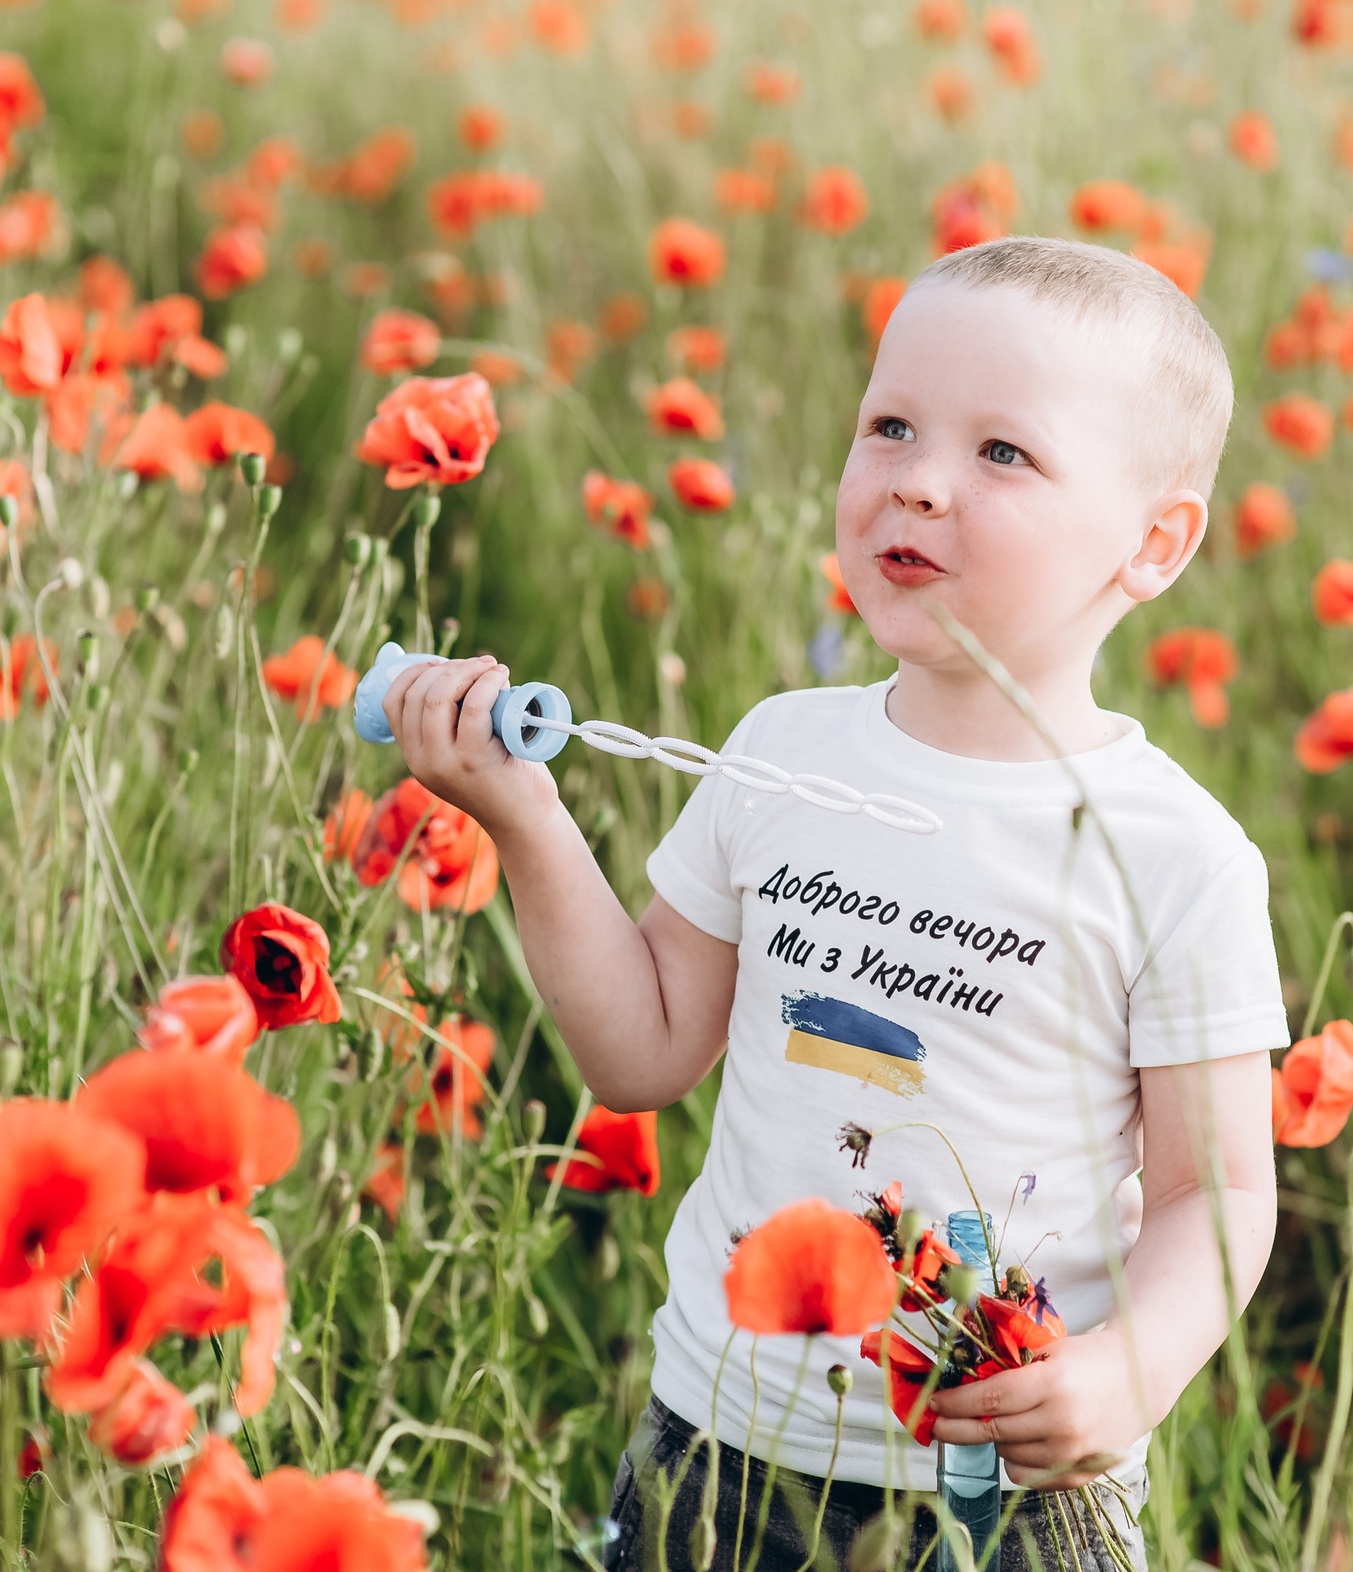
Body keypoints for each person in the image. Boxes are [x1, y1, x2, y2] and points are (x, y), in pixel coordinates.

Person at [382, 235, 1287, 1571]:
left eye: (1002, 453)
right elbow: (637, 1051)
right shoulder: (782, 751)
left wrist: (1125, 1374)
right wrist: (522, 813)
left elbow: (1220, 1195)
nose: (918, 481)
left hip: (1002, 1493)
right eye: (892, 426)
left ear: (1153, 543)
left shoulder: (1175, 855)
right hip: (719, 1448)